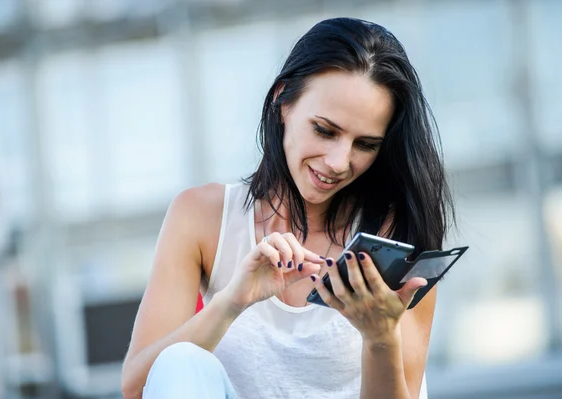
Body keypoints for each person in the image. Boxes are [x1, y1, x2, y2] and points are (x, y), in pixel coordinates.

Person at [121, 17, 453, 399]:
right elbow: (137, 387)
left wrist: (380, 338)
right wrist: (234, 300)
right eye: (325, 130)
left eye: (365, 144)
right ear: (284, 102)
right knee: (181, 360)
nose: (338, 162)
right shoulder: (202, 217)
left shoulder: (395, 234)